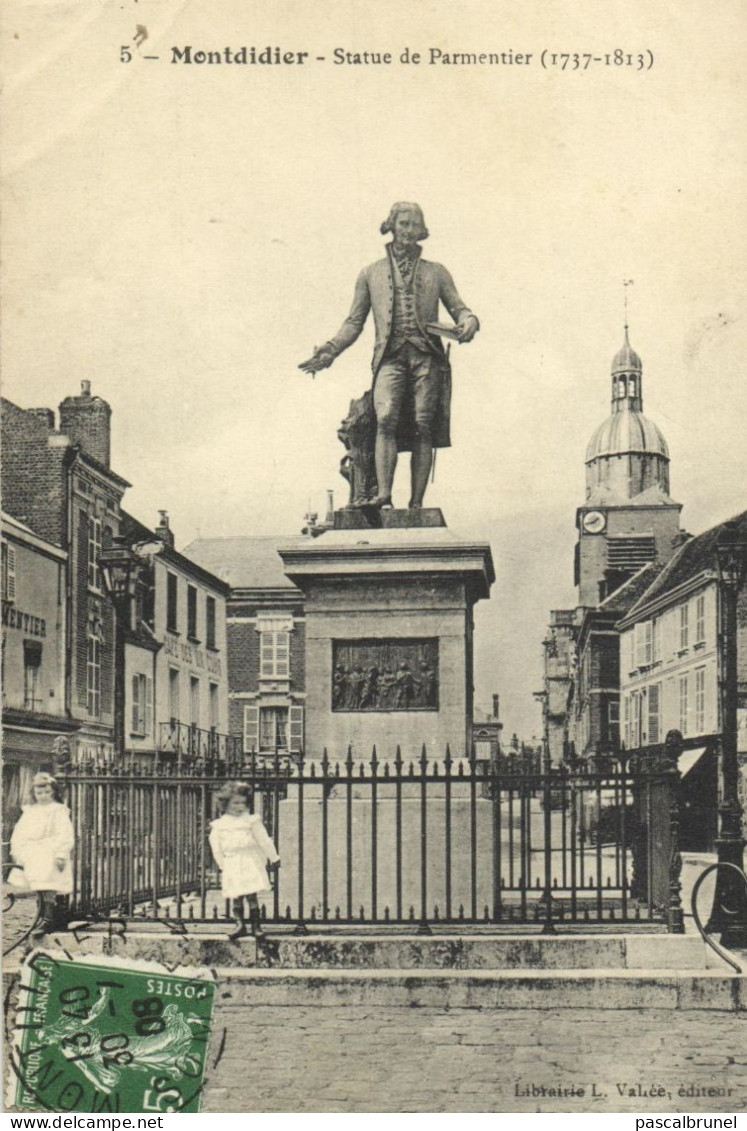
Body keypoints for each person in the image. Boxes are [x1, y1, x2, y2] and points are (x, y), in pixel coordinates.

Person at [300, 202, 479, 509]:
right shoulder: (371, 273)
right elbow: (354, 322)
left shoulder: (437, 272)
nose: (409, 231)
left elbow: (460, 308)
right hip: (390, 358)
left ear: (422, 231)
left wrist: (469, 322)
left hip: (427, 357)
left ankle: (417, 504)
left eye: (414, 225)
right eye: (404, 224)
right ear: (392, 226)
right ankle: (384, 495)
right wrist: (330, 350)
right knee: (385, 419)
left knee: (424, 425)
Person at [208, 783, 280, 940]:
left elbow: (264, 840)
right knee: (236, 894)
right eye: (235, 803)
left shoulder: (251, 821)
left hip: (249, 860)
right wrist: (223, 864)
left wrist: (273, 857)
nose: (239, 806)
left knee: (251, 894)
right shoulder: (220, 825)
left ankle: (256, 925)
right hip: (232, 862)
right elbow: (216, 846)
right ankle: (239, 924)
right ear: (226, 804)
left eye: (242, 802)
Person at [9, 771, 74, 936]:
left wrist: (60, 853)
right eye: (39, 793)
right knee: (38, 885)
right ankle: (41, 915)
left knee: (49, 885)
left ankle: (49, 919)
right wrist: (19, 850)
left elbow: (65, 833)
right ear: (34, 793)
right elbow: (20, 831)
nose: (43, 796)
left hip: (51, 852)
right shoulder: (31, 811)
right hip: (35, 853)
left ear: (52, 791)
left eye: (46, 792)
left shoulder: (58, 810)